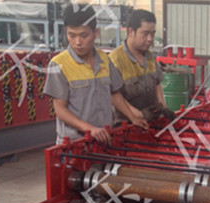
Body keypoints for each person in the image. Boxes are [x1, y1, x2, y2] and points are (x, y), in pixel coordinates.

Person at [44, 4, 148, 145]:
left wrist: (133, 118)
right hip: (74, 144)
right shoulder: (58, 65)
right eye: (71, 35)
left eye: (84, 35)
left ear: (96, 32)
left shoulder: (104, 59)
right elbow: (60, 109)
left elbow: (114, 94)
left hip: (103, 138)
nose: (77, 42)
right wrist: (90, 129)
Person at [109, 9, 175, 123]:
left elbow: (157, 84)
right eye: (145, 34)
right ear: (131, 32)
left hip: (151, 122)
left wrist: (163, 107)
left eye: (152, 34)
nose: (150, 39)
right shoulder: (115, 61)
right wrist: (140, 115)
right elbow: (115, 97)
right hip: (126, 126)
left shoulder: (149, 56)